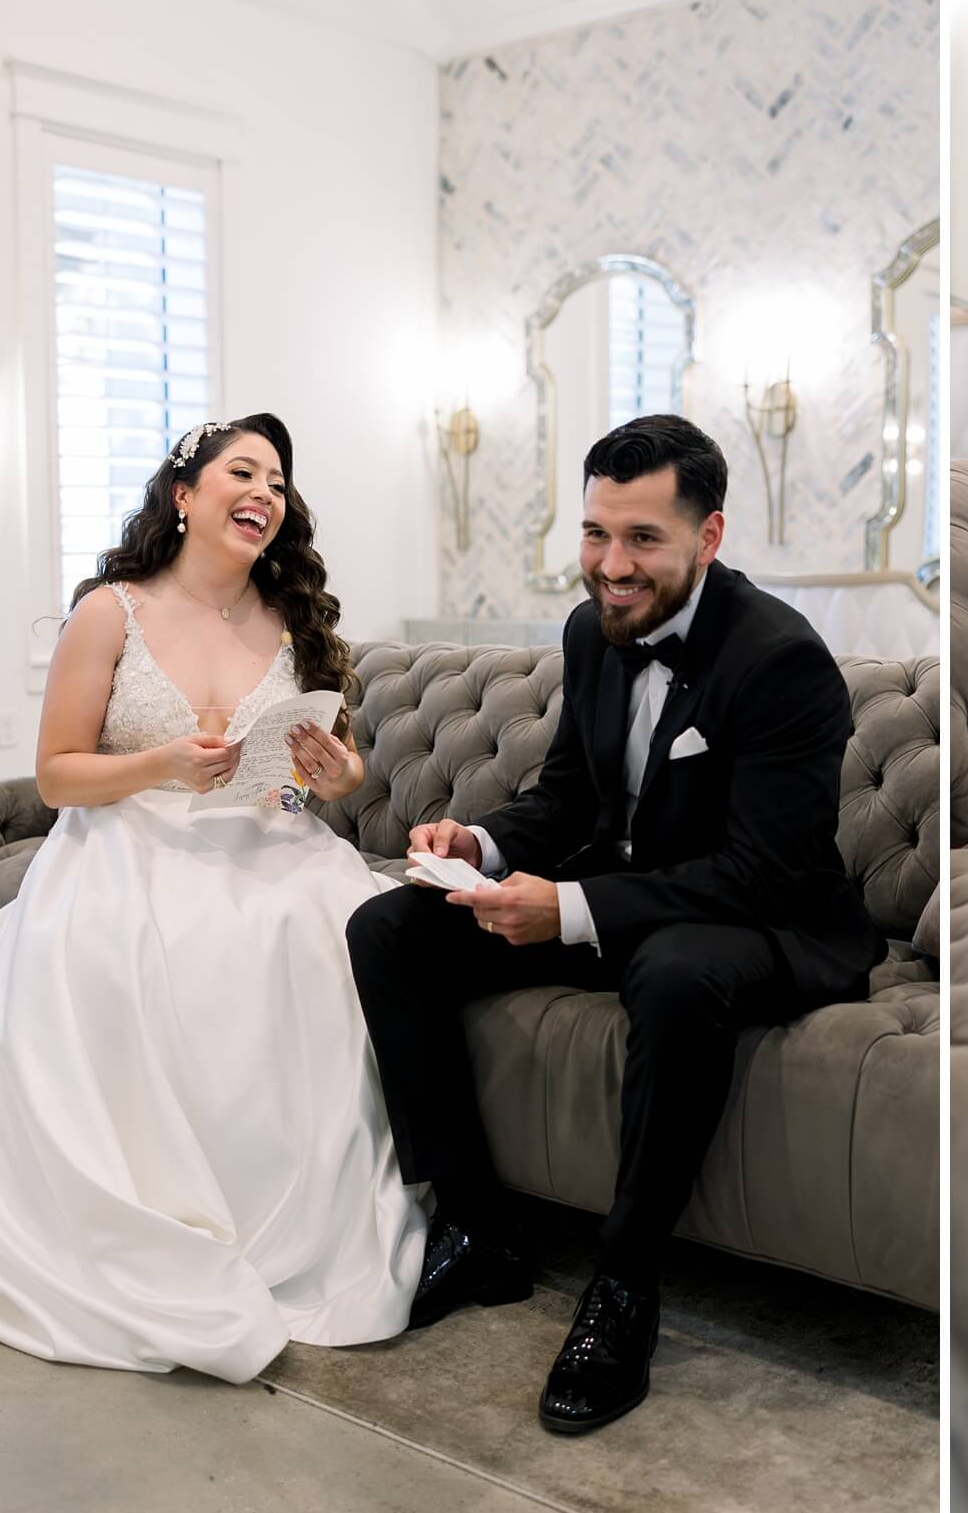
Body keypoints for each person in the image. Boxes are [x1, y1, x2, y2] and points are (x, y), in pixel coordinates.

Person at [0, 414, 422, 1490]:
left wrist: (329, 778)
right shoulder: (111, 611)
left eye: (278, 480)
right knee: (159, 942)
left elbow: (301, 781)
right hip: (128, 840)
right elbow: (61, 773)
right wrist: (162, 760)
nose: (263, 491)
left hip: (267, 840)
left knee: (317, 927)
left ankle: (296, 1210)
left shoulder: (287, 621)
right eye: (240, 472)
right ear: (185, 496)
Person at [345, 414, 883, 1435]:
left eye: (642, 538)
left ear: (708, 537)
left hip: (760, 920)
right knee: (390, 930)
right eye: (597, 533)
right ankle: (475, 1224)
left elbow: (760, 870)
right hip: (620, 898)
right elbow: (566, 801)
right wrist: (486, 849)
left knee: (679, 975)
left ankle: (625, 1288)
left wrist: (570, 910)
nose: (611, 564)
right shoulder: (590, 630)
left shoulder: (782, 661)